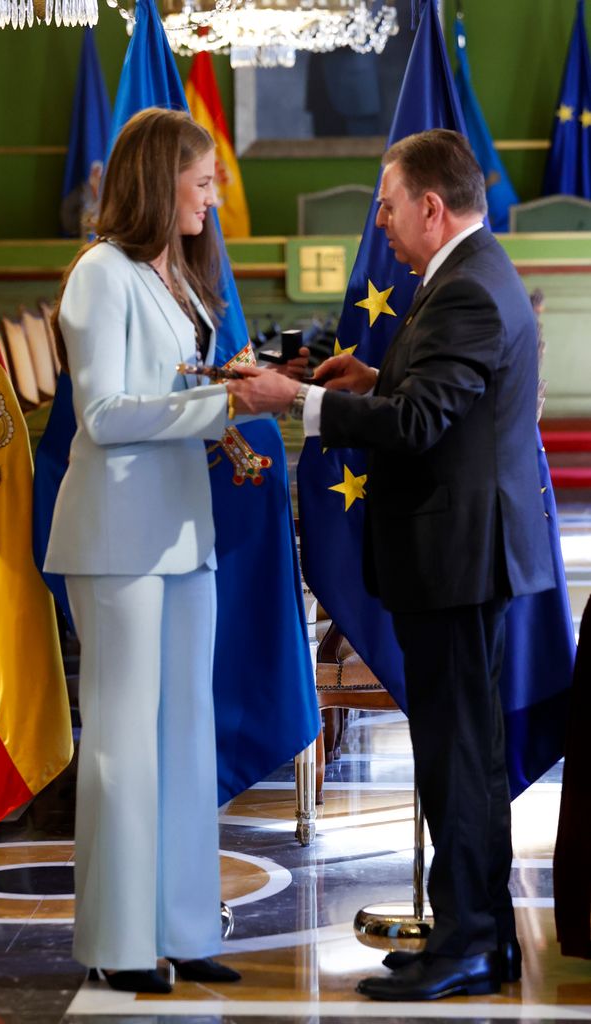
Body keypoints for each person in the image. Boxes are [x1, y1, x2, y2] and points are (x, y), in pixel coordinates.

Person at [228, 128, 556, 1001]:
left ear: (431, 207)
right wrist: (372, 378)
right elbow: (436, 398)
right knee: (460, 755)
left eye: (387, 203)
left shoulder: (468, 291)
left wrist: (298, 400)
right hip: (458, 556)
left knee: (461, 758)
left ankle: (474, 945)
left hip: (459, 560)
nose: (381, 220)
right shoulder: (461, 277)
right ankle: (470, 934)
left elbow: (423, 428)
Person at [44, 107, 243, 994]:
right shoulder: (101, 273)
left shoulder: (182, 280)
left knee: (186, 733)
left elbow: (173, 397)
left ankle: (187, 926)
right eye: (202, 180)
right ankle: (121, 943)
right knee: (124, 738)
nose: (214, 195)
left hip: (182, 530)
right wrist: (228, 408)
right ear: (158, 180)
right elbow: (103, 416)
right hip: (118, 536)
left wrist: (228, 402)